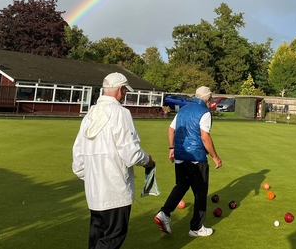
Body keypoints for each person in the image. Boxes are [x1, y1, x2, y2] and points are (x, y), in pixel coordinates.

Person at [73, 72, 154, 249]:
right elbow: (131, 153)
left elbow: (78, 157)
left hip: (94, 192)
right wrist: (148, 161)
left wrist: (92, 179)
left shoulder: (89, 115)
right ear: (121, 89)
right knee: (112, 238)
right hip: (116, 189)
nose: (124, 94)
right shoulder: (121, 113)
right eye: (125, 91)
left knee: (97, 238)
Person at [155, 86, 222, 238]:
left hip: (180, 156)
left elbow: (171, 129)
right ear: (208, 98)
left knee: (181, 185)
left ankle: (164, 213)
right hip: (196, 157)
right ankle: (196, 228)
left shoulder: (183, 110)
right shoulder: (205, 112)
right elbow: (205, 137)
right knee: (200, 192)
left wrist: (172, 148)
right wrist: (215, 157)